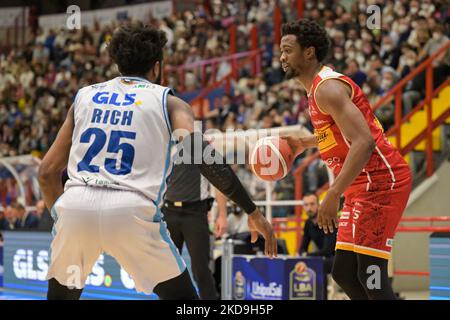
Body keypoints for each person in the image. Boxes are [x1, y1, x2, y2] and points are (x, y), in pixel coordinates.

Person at [37, 23, 276, 300]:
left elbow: (46, 172)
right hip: (131, 210)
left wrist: (62, 216)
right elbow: (204, 157)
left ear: (117, 63)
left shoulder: (84, 97)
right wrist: (252, 210)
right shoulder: (169, 102)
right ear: (157, 67)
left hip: (76, 204)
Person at [280, 19, 412, 300]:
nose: (282, 56)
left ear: (309, 52)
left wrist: (333, 193)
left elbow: (363, 142)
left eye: (288, 50)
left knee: (371, 275)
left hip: (381, 183)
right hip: (360, 186)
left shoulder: (327, 89)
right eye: (281, 50)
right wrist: (305, 142)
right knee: (343, 273)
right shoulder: (315, 90)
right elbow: (344, 134)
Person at [162, 164, 228, 300]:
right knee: (167, 269)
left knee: (200, 269)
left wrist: (222, 215)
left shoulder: (202, 148)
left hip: (195, 213)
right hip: (169, 211)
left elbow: (218, 181)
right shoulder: (167, 145)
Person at [298, 192, 336, 274]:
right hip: (322, 257)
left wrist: (307, 255)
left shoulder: (328, 220)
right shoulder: (308, 223)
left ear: (318, 205)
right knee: (297, 263)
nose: (309, 208)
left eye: (312, 204)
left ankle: (322, 287)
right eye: (306, 205)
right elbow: (302, 248)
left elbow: (327, 250)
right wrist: (304, 255)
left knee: (321, 264)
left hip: (336, 257)